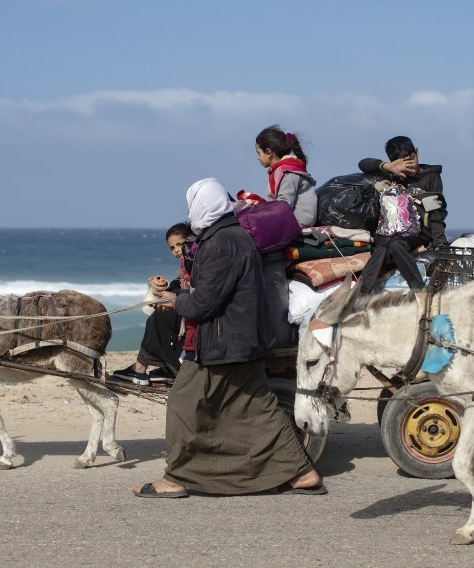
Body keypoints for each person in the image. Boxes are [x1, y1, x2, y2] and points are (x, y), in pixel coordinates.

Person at [132, 178, 325, 498]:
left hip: (223, 343)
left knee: (182, 402)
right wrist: (177, 295)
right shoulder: (232, 235)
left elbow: (206, 302)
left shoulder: (220, 242)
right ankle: (301, 472)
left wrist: (175, 301)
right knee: (258, 407)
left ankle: (176, 477)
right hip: (243, 339)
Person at [356, 135, 448, 294]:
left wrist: (440, 242)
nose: (409, 165)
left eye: (411, 158)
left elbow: (435, 212)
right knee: (382, 246)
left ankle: (419, 290)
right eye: (402, 162)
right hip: (390, 231)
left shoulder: (431, 178)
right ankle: (360, 293)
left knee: (396, 245)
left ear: (417, 153)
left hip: (418, 233)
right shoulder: (392, 176)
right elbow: (363, 164)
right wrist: (388, 167)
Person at [254, 125, 317, 346]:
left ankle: (278, 338)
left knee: (268, 263)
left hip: (297, 226)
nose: (258, 159)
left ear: (269, 151)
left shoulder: (288, 172)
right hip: (293, 223)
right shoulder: (286, 169)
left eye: (258, 153)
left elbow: (283, 207)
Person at [110, 223, 194, 386]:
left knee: (157, 318)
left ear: (189, 241)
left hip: (191, 306)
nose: (176, 250)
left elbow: (193, 289)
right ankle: (163, 367)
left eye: (179, 244)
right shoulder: (186, 263)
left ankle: (139, 370)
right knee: (158, 316)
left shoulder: (193, 260)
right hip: (186, 303)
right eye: (172, 248)